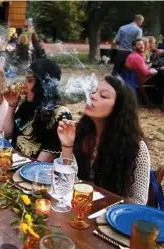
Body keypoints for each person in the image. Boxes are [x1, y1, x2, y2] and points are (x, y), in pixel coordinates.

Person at [58, 75, 150, 204]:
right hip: (78, 206)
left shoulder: (135, 147)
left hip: (111, 216)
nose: (93, 96)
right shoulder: (82, 133)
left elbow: (138, 202)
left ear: (119, 107)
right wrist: (67, 145)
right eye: (94, 92)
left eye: (103, 96)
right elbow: (65, 181)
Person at [3, 58, 72, 162]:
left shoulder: (60, 113)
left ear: (44, 85)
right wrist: (12, 106)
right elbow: (6, 134)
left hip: (33, 172)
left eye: (30, 81)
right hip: (13, 162)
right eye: (25, 79)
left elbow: (44, 160)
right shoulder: (27, 104)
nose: (24, 84)